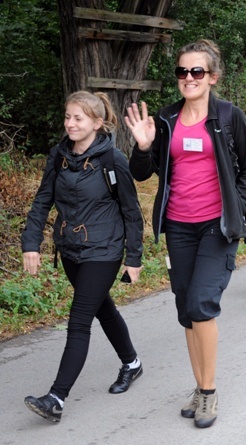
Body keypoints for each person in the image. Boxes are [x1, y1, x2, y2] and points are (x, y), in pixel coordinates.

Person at [124, 39, 246, 428]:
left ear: (212, 77)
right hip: (178, 226)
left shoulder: (229, 116)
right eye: (182, 71)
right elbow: (141, 172)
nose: (188, 78)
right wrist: (144, 146)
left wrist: (237, 204)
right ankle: (199, 386)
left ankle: (209, 392)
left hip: (217, 226)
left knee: (202, 303)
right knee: (186, 310)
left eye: (196, 71)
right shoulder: (165, 118)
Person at [21, 91, 144, 423]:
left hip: (104, 250)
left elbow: (132, 212)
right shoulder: (59, 156)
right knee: (102, 307)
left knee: (79, 322)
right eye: (67, 117)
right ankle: (132, 363)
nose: (70, 123)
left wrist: (134, 257)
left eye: (78, 118)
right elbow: (41, 202)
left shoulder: (112, 160)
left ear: (96, 123)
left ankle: (56, 398)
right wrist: (31, 242)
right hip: (71, 250)